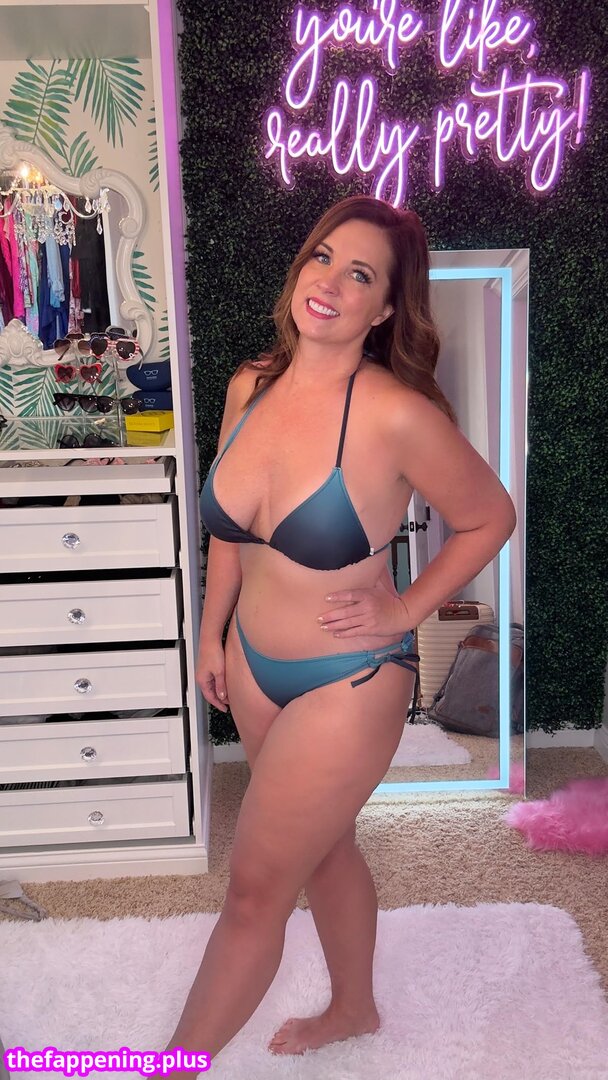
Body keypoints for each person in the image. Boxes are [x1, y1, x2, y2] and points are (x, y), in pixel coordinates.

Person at [163, 195, 516, 1071]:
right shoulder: (251, 385)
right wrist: (211, 634)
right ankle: (355, 1006)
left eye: (360, 274)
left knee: (254, 893)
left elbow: (490, 517)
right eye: (322, 257)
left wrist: (404, 609)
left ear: (387, 307)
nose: (329, 282)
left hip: (348, 680)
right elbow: (229, 534)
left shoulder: (397, 414)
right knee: (325, 847)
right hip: (253, 665)